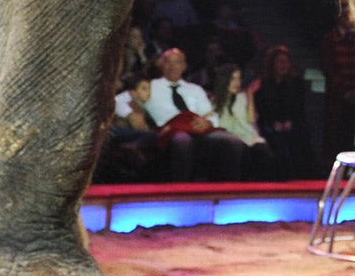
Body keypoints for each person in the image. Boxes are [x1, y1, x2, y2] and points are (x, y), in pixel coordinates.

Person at [116, 47, 245, 181]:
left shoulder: (195, 89)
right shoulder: (151, 86)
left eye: (177, 62)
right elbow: (117, 100)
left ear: (184, 66)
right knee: (182, 140)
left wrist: (208, 122)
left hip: (199, 130)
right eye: (168, 62)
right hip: (170, 131)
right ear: (162, 65)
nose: (173, 66)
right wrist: (129, 114)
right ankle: (180, 192)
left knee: (232, 141)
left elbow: (211, 114)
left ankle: (227, 194)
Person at [250, 45, 311, 177]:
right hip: (268, 124)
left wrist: (290, 121)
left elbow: (298, 108)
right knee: (277, 141)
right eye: (280, 62)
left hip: (292, 123)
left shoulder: (296, 83)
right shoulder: (263, 84)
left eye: (286, 62)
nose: (283, 65)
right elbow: (262, 109)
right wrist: (273, 123)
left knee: (298, 137)